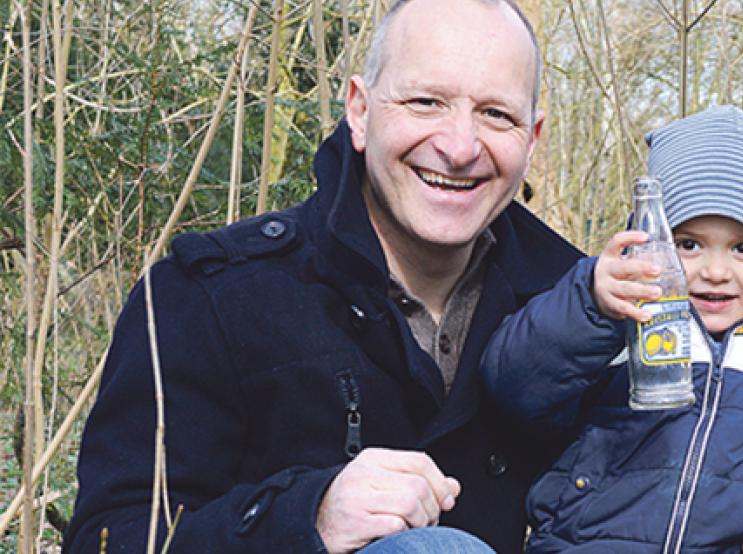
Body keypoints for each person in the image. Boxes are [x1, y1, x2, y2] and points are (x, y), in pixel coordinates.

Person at [63, 0, 583, 552]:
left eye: (495, 114)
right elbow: (110, 538)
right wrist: (307, 517)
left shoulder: (584, 319)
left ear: (533, 139)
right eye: (425, 102)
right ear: (359, 111)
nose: (459, 147)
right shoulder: (209, 298)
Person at [482, 105, 743, 553]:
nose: (715, 271)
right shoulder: (618, 319)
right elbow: (517, 385)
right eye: (688, 245)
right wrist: (592, 304)